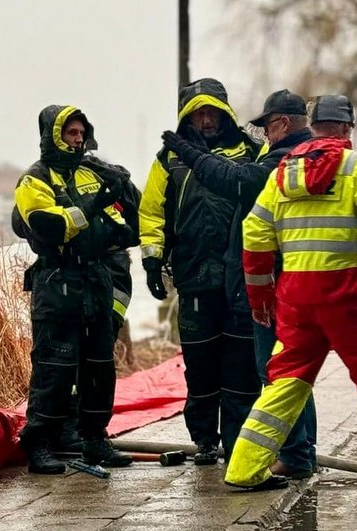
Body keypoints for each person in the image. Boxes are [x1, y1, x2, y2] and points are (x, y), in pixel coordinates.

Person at [226, 94, 357, 503]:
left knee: (284, 382)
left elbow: (254, 235)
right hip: (349, 295)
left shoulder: (282, 172)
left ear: (313, 125)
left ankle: (244, 469)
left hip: (296, 300)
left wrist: (261, 297)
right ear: (345, 128)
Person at [159, 88, 319, 478]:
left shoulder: (285, 159)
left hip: (274, 286)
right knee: (290, 369)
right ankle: (299, 451)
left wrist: (192, 154)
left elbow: (237, 180)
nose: (264, 135)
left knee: (278, 371)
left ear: (282, 124)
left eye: (267, 127)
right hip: (283, 282)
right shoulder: (299, 156)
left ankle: (297, 454)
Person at [140, 78, 262, 465]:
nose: (206, 120)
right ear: (187, 116)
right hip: (193, 275)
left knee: (240, 367)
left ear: (225, 113)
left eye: (212, 112)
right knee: (201, 365)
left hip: (241, 279)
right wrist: (152, 260)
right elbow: (151, 213)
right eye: (199, 112)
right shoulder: (168, 159)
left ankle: (239, 442)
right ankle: (205, 440)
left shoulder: (252, 153)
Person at [13, 104, 136, 474]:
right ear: (54, 135)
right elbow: (49, 227)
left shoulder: (91, 174)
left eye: (82, 133)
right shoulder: (34, 180)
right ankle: (40, 443)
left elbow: (124, 230)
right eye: (71, 133)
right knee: (54, 368)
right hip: (58, 282)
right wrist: (92, 209)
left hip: (96, 280)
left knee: (100, 367)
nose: (78, 140)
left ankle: (95, 438)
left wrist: (122, 191)